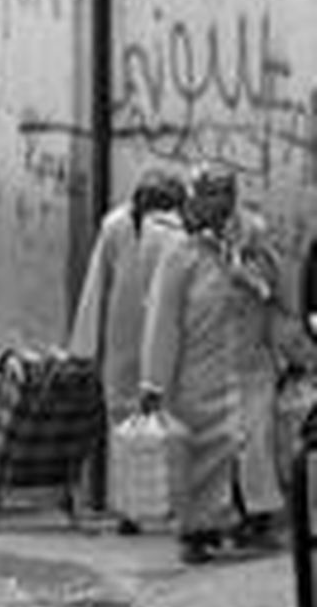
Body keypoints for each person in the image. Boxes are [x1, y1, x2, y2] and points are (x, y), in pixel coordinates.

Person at [140, 166, 285, 564]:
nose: (215, 203)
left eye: (222, 194)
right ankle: (198, 530)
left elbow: (276, 298)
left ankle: (254, 519)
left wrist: (248, 271)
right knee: (202, 451)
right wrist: (154, 382)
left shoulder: (252, 242)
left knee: (255, 442)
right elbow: (162, 320)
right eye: (207, 194)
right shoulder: (180, 253)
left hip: (250, 366)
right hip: (198, 374)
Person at [68, 169, 188, 532]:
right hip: (124, 335)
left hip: (165, 334)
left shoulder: (177, 234)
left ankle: (167, 503)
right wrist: (85, 346)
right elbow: (96, 284)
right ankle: (130, 507)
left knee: (166, 416)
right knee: (123, 422)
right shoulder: (116, 227)